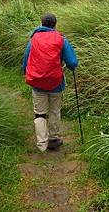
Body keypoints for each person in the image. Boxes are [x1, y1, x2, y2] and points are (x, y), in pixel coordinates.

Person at [22, 13, 78, 152]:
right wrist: (71, 67)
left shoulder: (33, 39)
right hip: (56, 82)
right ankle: (53, 139)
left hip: (37, 82)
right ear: (55, 24)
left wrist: (26, 72)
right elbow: (72, 62)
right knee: (54, 111)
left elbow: (26, 60)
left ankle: (41, 144)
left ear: (41, 23)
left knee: (39, 113)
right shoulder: (61, 40)